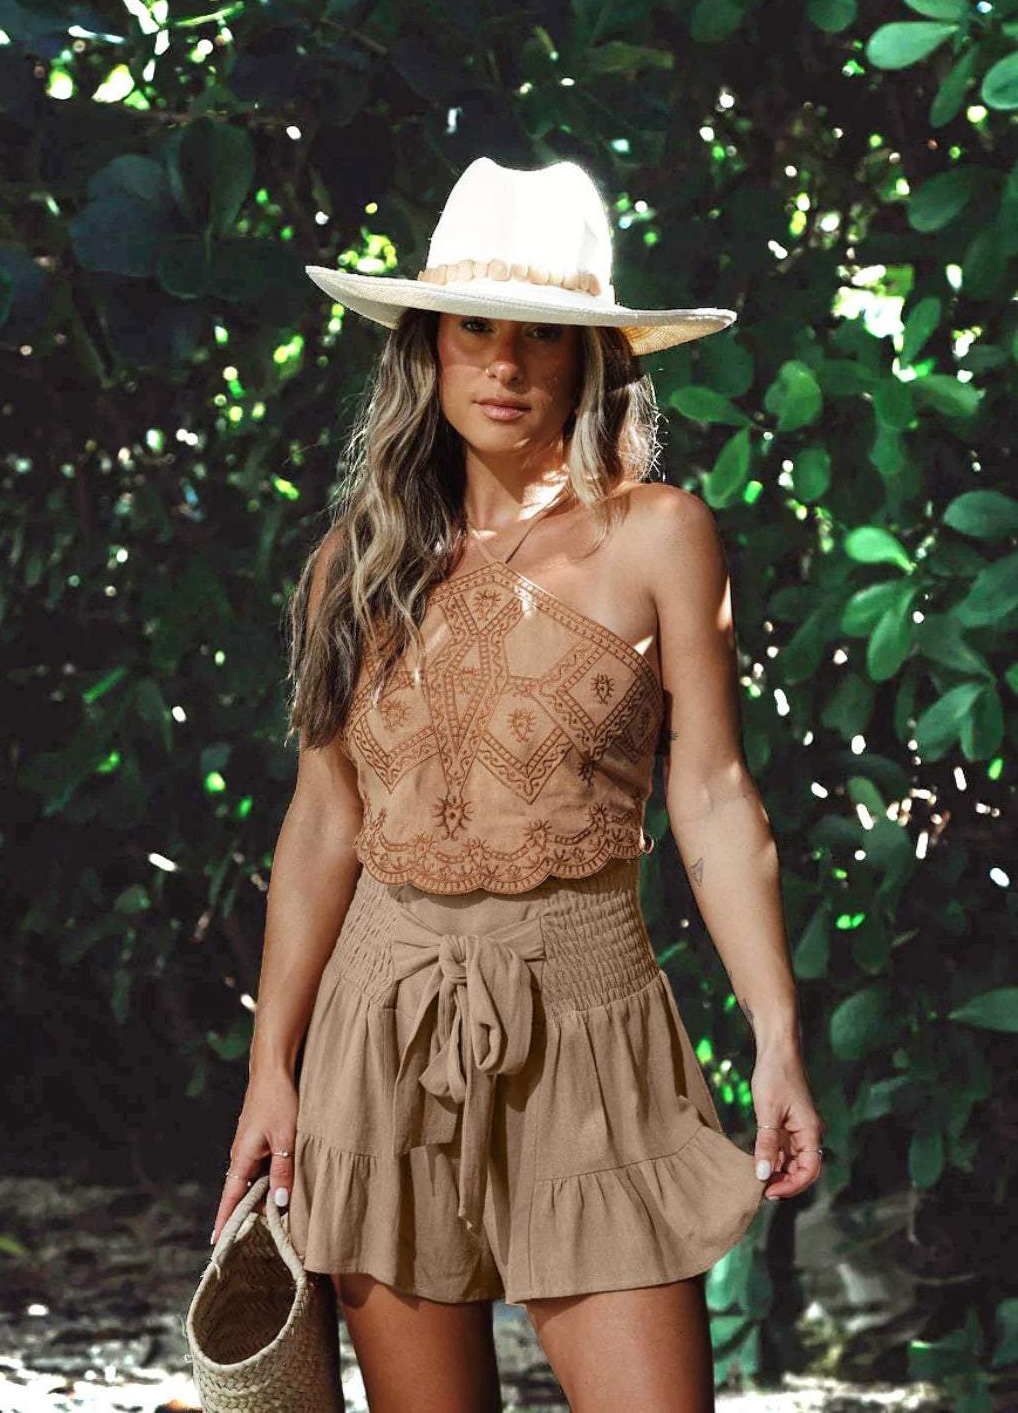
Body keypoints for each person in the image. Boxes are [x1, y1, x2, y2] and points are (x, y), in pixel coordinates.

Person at [211, 157, 824, 1411]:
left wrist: (774, 1036)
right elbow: (325, 820)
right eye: (475, 328)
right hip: (377, 1035)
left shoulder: (660, 533)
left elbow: (710, 796)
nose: (507, 366)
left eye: (544, 336)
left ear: (593, 359)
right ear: (427, 347)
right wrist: (272, 1068)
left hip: (592, 1026)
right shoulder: (354, 565)